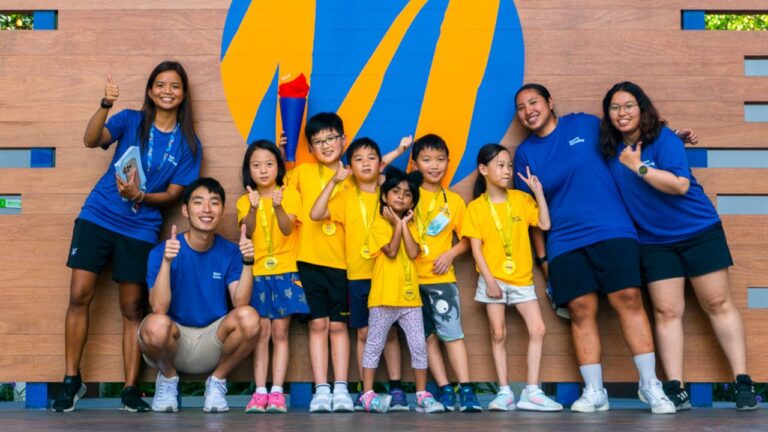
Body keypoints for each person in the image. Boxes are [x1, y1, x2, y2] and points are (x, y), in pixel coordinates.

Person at [513, 83, 675, 414]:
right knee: (581, 311)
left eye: (534, 102)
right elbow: (532, 216)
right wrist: (543, 260)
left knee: (628, 300)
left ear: (550, 102)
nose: (528, 110)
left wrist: (671, 140)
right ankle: (594, 391)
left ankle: (650, 386)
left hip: (612, 229)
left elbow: (632, 136)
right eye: (521, 107)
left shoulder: (584, 124)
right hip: (564, 243)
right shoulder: (525, 154)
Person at [599, 81, 758, 411]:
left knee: (717, 303)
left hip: (699, 230)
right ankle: (675, 388)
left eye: (628, 105)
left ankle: (743, 382)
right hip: (654, 242)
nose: (621, 113)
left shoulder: (664, 140)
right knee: (667, 312)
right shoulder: (610, 151)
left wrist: (639, 167)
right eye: (614, 108)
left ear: (642, 108)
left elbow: (680, 185)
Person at [54, 61, 202, 412]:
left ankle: (130, 389)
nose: (168, 91)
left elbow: (175, 195)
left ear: (183, 95)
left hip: (140, 228)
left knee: (133, 308)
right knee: (79, 295)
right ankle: (72, 380)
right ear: (151, 91)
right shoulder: (130, 120)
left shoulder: (188, 144)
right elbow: (91, 140)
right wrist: (105, 105)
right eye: (161, 84)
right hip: (98, 215)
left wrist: (140, 198)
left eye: (175, 86)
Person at [287, 112, 412, 412]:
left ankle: (342, 388)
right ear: (311, 148)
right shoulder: (303, 172)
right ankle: (321, 389)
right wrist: (285, 151)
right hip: (309, 261)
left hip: (345, 266)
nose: (326, 145)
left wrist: (399, 151)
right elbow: (298, 203)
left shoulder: (355, 176)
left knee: (341, 327)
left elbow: (376, 167)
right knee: (319, 325)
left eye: (331, 138)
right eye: (318, 142)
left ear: (343, 140)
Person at [139, 177, 261, 413]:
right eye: (198, 202)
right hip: (173, 342)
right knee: (154, 325)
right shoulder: (162, 250)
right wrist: (167, 262)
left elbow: (241, 303)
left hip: (212, 341)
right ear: (185, 210)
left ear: (222, 210)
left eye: (214, 203)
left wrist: (248, 262)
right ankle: (168, 379)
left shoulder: (229, 251)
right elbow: (159, 308)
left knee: (250, 317)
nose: (206, 209)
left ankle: (216, 382)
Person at [463, 144, 562, 412]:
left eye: (509, 165)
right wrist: (491, 281)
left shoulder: (520, 199)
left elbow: (544, 224)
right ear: (483, 170)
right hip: (491, 278)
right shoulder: (475, 208)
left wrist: (539, 193)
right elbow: (475, 249)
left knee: (538, 329)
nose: (507, 171)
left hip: (521, 279)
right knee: (498, 333)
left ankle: (532, 392)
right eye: (500, 165)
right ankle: (504, 392)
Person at [310, 137, 406, 411]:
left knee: (388, 333)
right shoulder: (345, 195)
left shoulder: (388, 193)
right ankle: (367, 391)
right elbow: (316, 214)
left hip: (389, 274)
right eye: (359, 159)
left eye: (371, 158)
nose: (366, 163)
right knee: (364, 333)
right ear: (350, 166)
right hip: (358, 276)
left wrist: (397, 151)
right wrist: (335, 182)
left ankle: (397, 388)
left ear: (380, 163)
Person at [358, 167, 444, 414]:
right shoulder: (377, 224)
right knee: (374, 345)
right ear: (384, 196)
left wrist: (404, 224)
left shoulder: (412, 224)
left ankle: (421, 395)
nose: (401, 197)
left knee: (419, 345)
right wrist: (397, 224)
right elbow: (392, 250)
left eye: (407, 194)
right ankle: (366, 394)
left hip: (410, 300)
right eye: (395, 192)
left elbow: (414, 252)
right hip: (384, 298)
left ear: (413, 201)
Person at [406, 134, 482, 412]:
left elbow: (468, 238)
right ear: (415, 164)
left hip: (441, 282)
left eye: (439, 160)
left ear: (449, 163)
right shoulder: (406, 195)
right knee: (426, 338)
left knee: (452, 334)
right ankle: (445, 389)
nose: (434, 165)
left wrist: (450, 253)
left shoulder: (454, 202)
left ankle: (467, 389)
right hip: (410, 282)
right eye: (426, 160)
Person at [237, 140, 309, 413]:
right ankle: (259, 391)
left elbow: (288, 229)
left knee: (280, 333)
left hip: (286, 270)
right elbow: (248, 230)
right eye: (256, 165)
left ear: (278, 167)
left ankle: (277, 391)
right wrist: (254, 208)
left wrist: (277, 206)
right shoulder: (245, 200)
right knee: (262, 333)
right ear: (248, 170)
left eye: (269, 164)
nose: (263, 170)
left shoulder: (289, 193)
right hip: (258, 273)